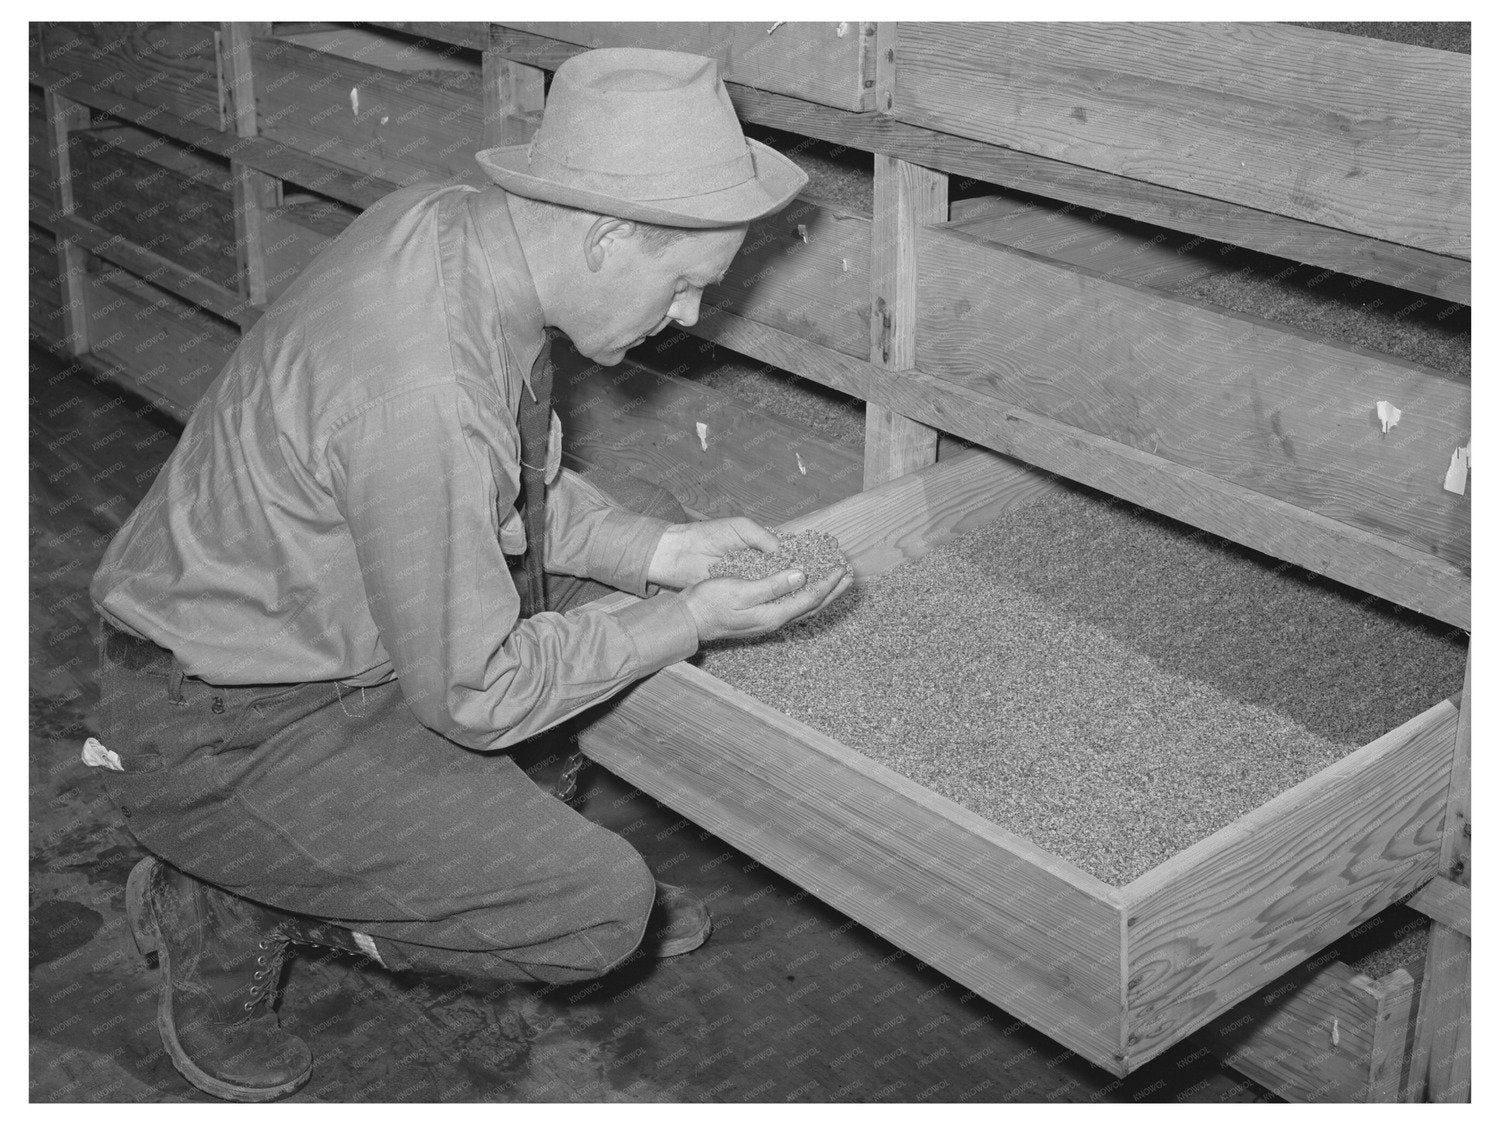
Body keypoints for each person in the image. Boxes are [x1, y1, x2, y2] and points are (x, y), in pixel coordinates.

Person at [86, 47, 851, 1102]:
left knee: (649, 541)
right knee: (599, 914)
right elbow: (479, 686)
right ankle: (230, 896)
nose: (685, 317)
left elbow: (502, 484)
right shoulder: (423, 393)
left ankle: (463, 858)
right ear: (605, 236)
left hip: (331, 625)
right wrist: (690, 619)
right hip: (227, 722)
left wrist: (659, 555)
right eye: (684, 284)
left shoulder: (455, 229)